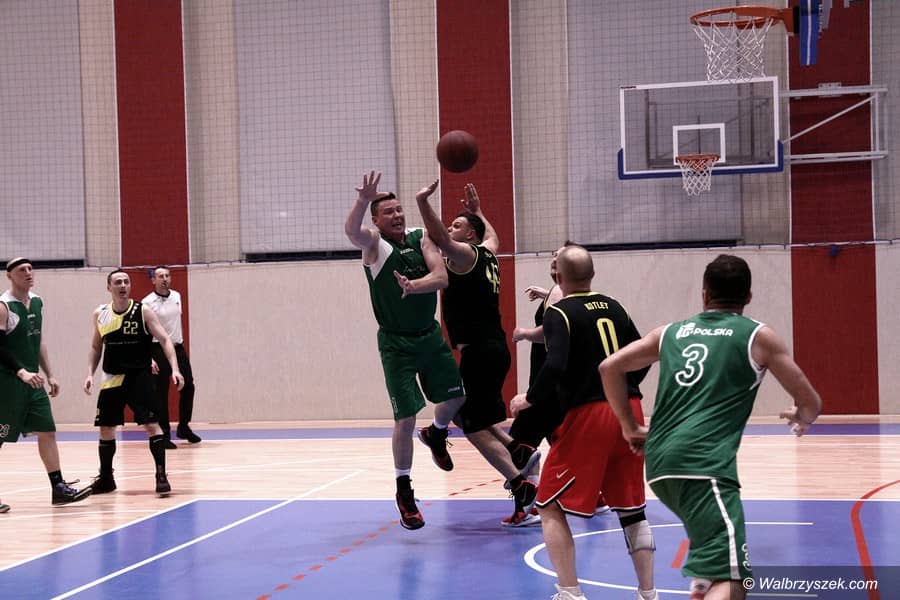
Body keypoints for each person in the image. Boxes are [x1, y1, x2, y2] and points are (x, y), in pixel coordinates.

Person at [600, 254, 822, 600]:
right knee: (735, 580)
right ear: (749, 296)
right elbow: (811, 402)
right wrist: (801, 416)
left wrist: (629, 427)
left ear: (704, 295)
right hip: (704, 467)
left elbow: (609, 367)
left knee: (711, 558)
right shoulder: (758, 337)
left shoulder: (669, 333)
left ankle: (702, 583)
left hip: (660, 465)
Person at [510, 245, 658, 600]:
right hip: (630, 410)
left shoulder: (558, 311)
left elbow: (555, 364)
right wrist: (628, 385)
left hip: (589, 415)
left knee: (549, 504)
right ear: (592, 274)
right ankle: (648, 593)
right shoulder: (615, 305)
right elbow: (644, 353)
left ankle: (570, 592)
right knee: (633, 510)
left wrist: (529, 398)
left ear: (558, 277)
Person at [344, 170, 466, 530]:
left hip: (429, 335)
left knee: (457, 397)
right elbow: (351, 232)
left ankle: (437, 432)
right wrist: (362, 200)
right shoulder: (374, 245)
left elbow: (441, 278)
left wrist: (413, 286)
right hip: (396, 343)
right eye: (389, 212)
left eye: (399, 210)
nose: (397, 215)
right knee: (406, 417)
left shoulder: (421, 237)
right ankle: (404, 489)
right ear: (376, 220)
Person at [414, 182, 538, 526]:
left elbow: (439, 238)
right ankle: (516, 451)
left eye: (458, 225)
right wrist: (479, 211)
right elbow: (493, 236)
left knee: (474, 427)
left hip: (481, 352)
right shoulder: (488, 252)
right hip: (492, 350)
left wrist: (422, 202)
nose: (450, 228)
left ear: (470, 235)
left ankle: (520, 484)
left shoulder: (466, 255)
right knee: (465, 415)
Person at [0, 258, 92, 511]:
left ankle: (58, 488)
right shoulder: (4, 306)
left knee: (47, 430)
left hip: (33, 381)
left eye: (30, 269)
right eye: (22, 270)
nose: (28, 273)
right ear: (9, 276)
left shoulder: (38, 302)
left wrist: (50, 374)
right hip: (7, 382)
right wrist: (20, 371)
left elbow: (38, 340)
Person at [84, 269, 184, 497]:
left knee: (152, 425)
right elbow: (96, 347)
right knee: (106, 428)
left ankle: (161, 476)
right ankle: (106, 479)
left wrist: (175, 369)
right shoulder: (100, 314)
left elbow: (165, 339)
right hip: (112, 377)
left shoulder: (143, 311)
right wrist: (90, 373)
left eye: (126, 282)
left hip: (139, 376)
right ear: (109, 287)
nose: (123, 285)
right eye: (118, 282)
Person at [142, 266, 201, 447]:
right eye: (160, 276)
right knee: (161, 391)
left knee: (188, 386)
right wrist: (149, 358)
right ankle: (164, 434)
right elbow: (143, 333)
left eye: (167, 275)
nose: (165, 279)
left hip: (177, 347)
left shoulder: (176, 296)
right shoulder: (147, 302)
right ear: (153, 280)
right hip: (156, 348)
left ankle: (183, 427)